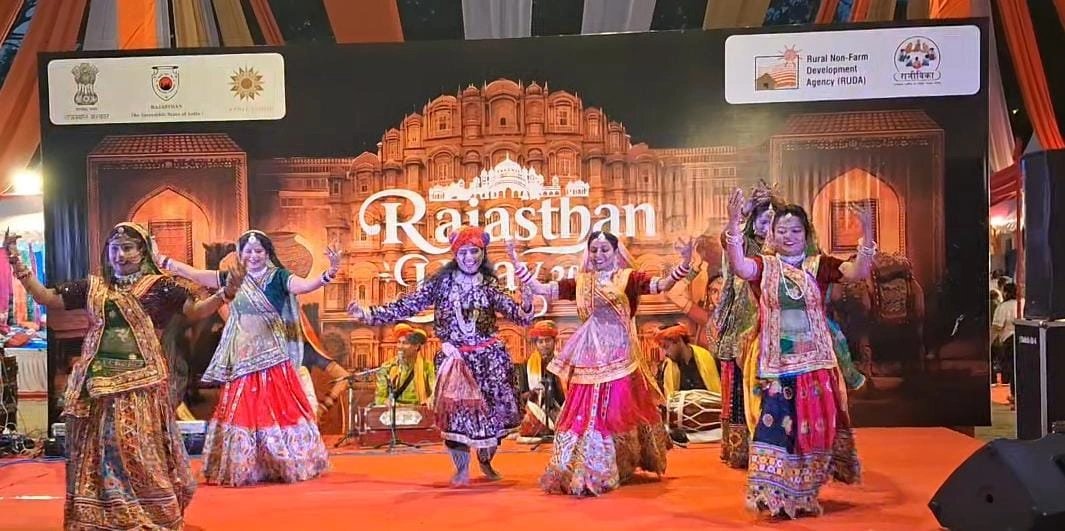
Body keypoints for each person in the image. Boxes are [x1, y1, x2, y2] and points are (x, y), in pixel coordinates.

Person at [4, 223, 228, 529]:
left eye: (127, 248)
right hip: (97, 385)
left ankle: (150, 509)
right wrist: (16, 261)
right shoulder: (94, 287)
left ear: (142, 252)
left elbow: (196, 310)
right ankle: (102, 514)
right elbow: (46, 298)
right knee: (100, 450)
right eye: (114, 248)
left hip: (141, 385)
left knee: (135, 447)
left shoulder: (159, 286)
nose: (120, 255)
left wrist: (225, 293)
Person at [347, 225, 534, 487]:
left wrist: (527, 298)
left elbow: (520, 317)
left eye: (475, 252)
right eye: (463, 252)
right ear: (455, 254)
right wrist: (368, 314)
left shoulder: (490, 284)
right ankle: (461, 468)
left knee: (492, 422)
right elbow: (408, 304)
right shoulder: (441, 283)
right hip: (455, 360)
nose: (469, 258)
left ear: (483, 253)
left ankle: (485, 460)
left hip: (489, 363)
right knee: (456, 420)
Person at [723, 190, 872, 518]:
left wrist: (867, 233)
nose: (788, 236)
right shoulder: (764, 266)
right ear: (772, 235)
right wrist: (734, 223)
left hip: (815, 364)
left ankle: (804, 493)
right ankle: (773, 491)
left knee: (812, 429)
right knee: (774, 427)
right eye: (781, 230)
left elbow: (858, 272)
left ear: (806, 234)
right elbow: (739, 267)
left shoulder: (820, 265)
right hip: (776, 366)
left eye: (795, 230)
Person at [510, 230, 693, 496]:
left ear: (616, 252)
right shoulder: (582, 282)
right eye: (594, 249)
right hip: (589, 356)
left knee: (615, 411)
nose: (598, 255)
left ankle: (618, 463)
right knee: (586, 411)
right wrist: (516, 264)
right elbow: (543, 290)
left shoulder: (629, 279)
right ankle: (585, 468)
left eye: (604, 249)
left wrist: (685, 262)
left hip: (620, 356)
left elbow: (662, 285)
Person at [157, 229, 335, 486]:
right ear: (240, 254)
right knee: (241, 409)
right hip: (242, 358)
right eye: (248, 251)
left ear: (267, 253)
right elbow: (195, 274)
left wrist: (330, 272)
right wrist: (164, 261)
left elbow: (306, 286)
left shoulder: (278, 277)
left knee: (278, 409)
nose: (253, 256)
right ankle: (245, 466)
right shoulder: (231, 278)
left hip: (272, 357)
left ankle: (283, 462)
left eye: (259, 251)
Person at [713, 182, 781, 469]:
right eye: (763, 222)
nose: (767, 229)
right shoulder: (745, 245)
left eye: (772, 223)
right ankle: (741, 450)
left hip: (775, 327)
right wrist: (739, 215)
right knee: (740, 388)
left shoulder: (785, 250)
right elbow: (727, 239)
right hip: (742, 323)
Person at [655, 322, 722, 445]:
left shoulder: (709, 359)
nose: (665, 353)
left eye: (666, 346)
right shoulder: (665, 368)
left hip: (713, 429)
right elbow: (667, 407)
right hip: (682, 432)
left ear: (678, 341)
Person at [516, 319, 566, 443]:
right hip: (535, 410)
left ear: (555, 342)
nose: (544, 345)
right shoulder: (526, 365)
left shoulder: (562, 364)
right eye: (540, 341)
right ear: (536, 344)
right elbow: (522, 395)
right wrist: (534, 392)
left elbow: (567, 394)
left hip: (559, 410)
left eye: (548, 340)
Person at [375, 323, 435, 406]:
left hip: (419, 410)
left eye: (405, 343)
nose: (400, 346)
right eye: (399, 342)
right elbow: (379, 398)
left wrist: (431, 399)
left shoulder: (428, 367)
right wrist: (386, 402)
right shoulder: (387, 367)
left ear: (416, 346)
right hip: (394, 411)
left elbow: (435, 392)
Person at [992, 282, 1018, 408]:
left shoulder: (1003, 307)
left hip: (1009, 340)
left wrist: (989, 342)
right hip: (1023, 340)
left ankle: (1014, 395)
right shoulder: (1022, 304)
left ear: (1006, 292)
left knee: (1012, 369)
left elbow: (997, 327)